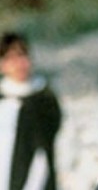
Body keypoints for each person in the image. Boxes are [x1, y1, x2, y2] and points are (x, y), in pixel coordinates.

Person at [0, 33, 62, 190]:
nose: (18, 64)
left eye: (22, 56)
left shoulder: (44, 100)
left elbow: (44, 152)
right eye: (10, 59)